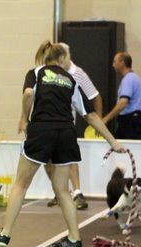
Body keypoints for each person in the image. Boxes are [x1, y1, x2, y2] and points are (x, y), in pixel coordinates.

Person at [0, 42, 125, 247]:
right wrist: (113, 142)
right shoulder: (70, 79)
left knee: (20, 185)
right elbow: (90, 115)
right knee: (63, 190)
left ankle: (5, 235)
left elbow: (28, 94)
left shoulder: (36, 73)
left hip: (41, 131)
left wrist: (23, 118)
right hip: (66, 133)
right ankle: (75, 239)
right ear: (61, 59)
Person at [38, 42, 104, 210]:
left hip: (66, 124)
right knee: (48, 161)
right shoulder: (42, 73)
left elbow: (95, 96)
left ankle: (77, 193)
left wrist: (99, 123)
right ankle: (59, 192)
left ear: (64, 57)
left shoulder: (77, 74)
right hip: (46, 125)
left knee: (69, 159)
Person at [103, 52, 141, 140]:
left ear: (122, 63)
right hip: (130, 119)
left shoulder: (128, 79)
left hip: (130, 120)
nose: (113, 65)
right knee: (118, 146)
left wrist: (106, 119)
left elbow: (123, 103)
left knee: (133, 148)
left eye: (115, 62)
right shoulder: (135, 78)